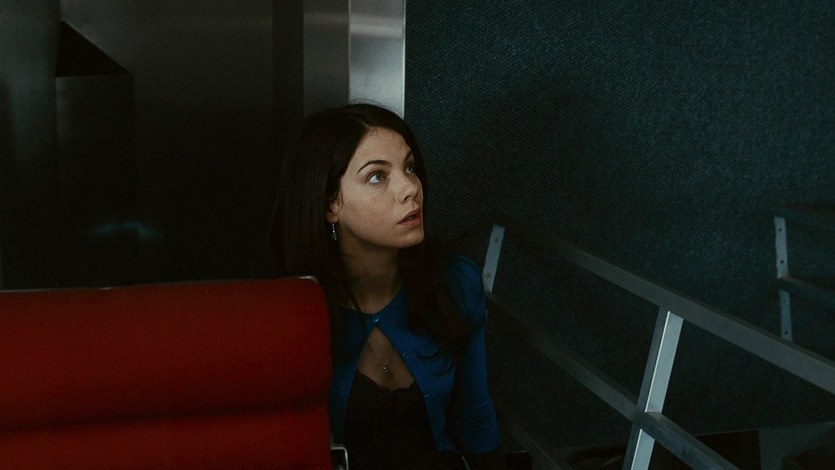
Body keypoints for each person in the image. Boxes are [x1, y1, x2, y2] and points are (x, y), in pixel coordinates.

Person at [273, 103, 505, 469]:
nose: (410, 188)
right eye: (377, 177)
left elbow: (474, 415)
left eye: (409, 167)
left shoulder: (455, 282)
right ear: (330, 205)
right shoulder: (289, 311)